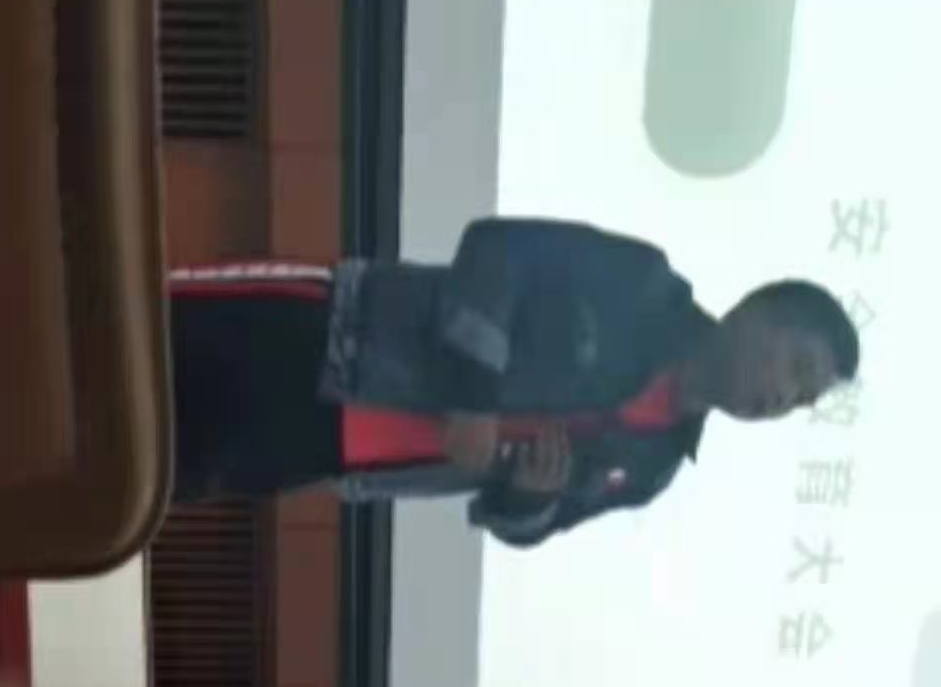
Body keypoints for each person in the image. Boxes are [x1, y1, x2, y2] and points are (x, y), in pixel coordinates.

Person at [168, 222, 860, 551]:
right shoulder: (641, 285)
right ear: (756, 311)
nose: (782, 399)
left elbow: (532, 526)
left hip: (339, 453)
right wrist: (474, 395)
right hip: (329, 333)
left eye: (800, 401)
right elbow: (498, 249)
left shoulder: (652, 466)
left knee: (159, 471)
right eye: (796, 367)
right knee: (140, 329)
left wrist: (529, 498)